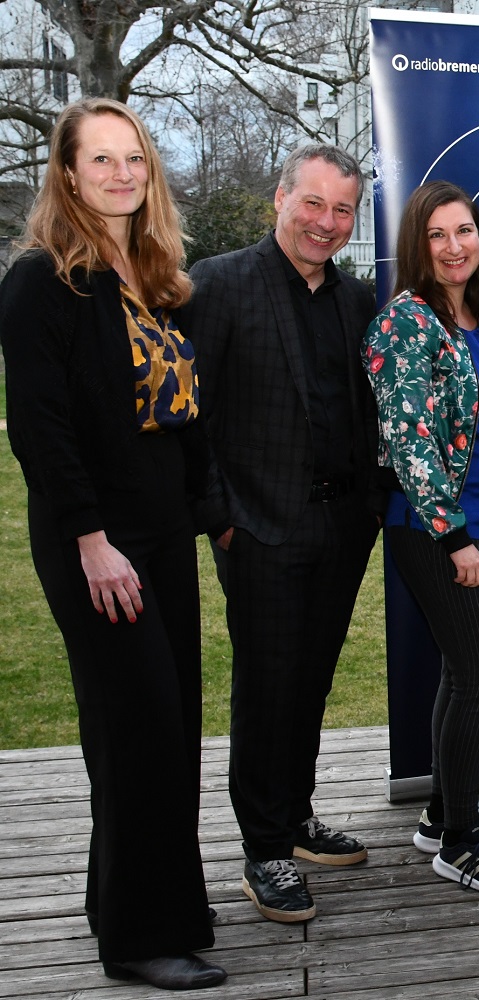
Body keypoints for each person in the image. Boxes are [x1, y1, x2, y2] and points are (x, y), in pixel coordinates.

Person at [0, 98, 225, 989]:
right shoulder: (40, 281)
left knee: (173, 726)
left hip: (161, 532)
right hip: (97, 538)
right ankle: (137, 939)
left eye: (133, 157)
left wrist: (207, 511)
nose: (122, 173)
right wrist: (91, 540)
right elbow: (40, 430)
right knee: (136, 729)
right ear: (67, 173)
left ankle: (145, 903)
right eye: (100, 159)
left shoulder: (157, 275)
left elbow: (182, 415)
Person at [177, 145, 380, 923]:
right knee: (267, 687)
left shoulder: (356, 299)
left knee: (312, 680)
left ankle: (294, 817)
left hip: (341, 526)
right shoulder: (219, 283)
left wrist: (368, 509)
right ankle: (264, 850)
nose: (326, 222)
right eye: (313, 203)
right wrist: (221, 519)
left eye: (342, 209)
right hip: (259, 528)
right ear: (280, 199)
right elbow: (189, 415)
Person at [364, 181, 479, 893]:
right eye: (437, 234)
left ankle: (444, 812)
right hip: (446, 531)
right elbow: (409, 442)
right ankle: (458, 845)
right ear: (416, 244)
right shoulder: (406, 323)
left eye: (464, 231)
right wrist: (454, 536)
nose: (454, 246)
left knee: (464, 675)